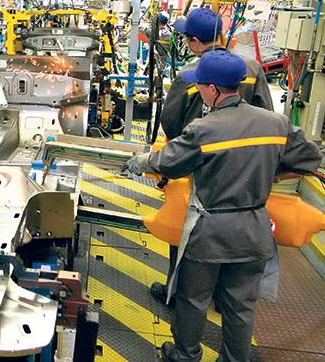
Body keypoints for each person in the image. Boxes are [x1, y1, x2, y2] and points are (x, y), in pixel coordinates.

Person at [125, 50, 321, 362]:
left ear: (213, 89)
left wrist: (139, 162)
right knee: (240, 304)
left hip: (210, 232)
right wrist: (270, 170)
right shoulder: (276, 123)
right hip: (254, 228)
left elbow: (169, 163)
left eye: (200, 85)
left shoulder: (204, 129)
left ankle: (186, 353)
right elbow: (309, 158)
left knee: (194, 298)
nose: (199, 90)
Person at [151, 8, 275, 307]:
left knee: (187, 228)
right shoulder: (252, 68)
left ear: (193, 41)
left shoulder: (190, 75)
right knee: (235, 231)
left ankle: (178, 292)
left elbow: (171, 123)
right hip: (244, 169)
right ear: (220, 34)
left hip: (199, 167)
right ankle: (223, 298)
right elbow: (265, 114)